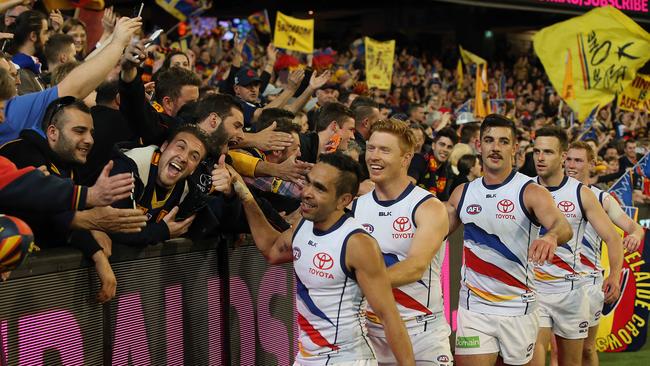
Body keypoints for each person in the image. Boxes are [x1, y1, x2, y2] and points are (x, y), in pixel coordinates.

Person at [229, 152, 415, 365]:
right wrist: (244, 194)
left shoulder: (358, 244)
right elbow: (272, 250)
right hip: (306, 357)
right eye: (308, 183)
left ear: (343, 200)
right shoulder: (303, 225)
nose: (306, 193)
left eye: (320, 188)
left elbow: (389, 316)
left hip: (346, 359)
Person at [445, 114, 573, 366]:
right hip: (474, 309)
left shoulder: (531, 191)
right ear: (479, 145)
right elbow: (433, 231)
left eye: (503, 142)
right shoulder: (463, 193)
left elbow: (563, 226)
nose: (495, 147)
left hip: (518, 309)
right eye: (489, 140)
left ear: (514, 149)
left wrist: (551, 236)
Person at [352, 118, 453, 365]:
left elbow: (415, 267)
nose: (374, 156)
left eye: (385, 150)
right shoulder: (354, 207)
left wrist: (357, 281)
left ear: (406, 159)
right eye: (371, 148)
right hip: (370, 334)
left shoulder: (428, 207)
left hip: (422, 333)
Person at [530, 126, 623, 366]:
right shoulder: (523, 188)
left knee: (578, 357)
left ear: (560, 156)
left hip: (572, 291)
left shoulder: (582, 194)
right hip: (534, 288)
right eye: (536, 151)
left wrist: (614, 274)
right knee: (534, 357)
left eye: (548, 152)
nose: (540, 158)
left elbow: (613, 237)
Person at [0, 15, 142, 144]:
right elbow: (74, 88)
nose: (17, 82)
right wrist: (117, 43)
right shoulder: (8, 110)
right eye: (9, 76)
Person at [564, 141, 643, 366]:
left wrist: (636, 236)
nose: (571, 165)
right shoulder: (546, 195)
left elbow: (632, 227)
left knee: (587, 350)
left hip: (588, 284)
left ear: (592, 164)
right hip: (552, 282)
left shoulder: (601, 199)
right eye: (568, 159)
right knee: (559, 351)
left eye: (578, 160)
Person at [107, 124, 210, 246]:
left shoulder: (187, 192)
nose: (183, 158)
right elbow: (112, 227)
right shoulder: (128, 168)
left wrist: (230, 193)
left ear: (194, 169)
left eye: (194, 156)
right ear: (164, 146)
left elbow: (218, 223)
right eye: (180, 147)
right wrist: (162, 231)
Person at [408, 127, 457, 201]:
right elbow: (408, 186)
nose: (445, 149)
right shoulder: (420, 160)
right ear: (433, 145)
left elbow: (445, 199)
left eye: (449, 147)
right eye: (442, 144)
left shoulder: (447, 170)